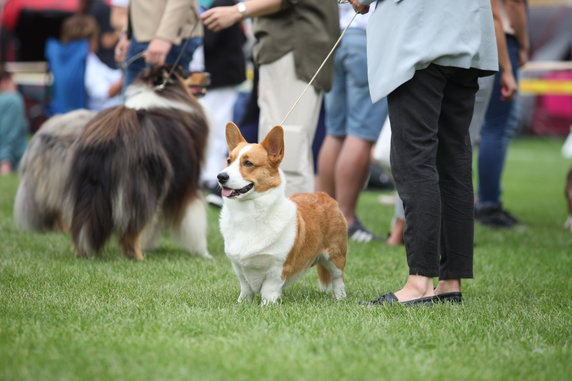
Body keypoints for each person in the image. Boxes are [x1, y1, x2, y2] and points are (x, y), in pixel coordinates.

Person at [349, 0, 498, 305]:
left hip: (420, 37)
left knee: (414, 159)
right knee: (454, 160)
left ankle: (419, 283)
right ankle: (450, 282)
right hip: (467, 35)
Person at [201, 0, 339, 195]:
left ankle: (294, 224)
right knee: (290, 149)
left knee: (288, 155)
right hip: (288, 48)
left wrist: (237, 11)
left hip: (293, 48)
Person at [315, 3, 387, 243]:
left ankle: (322, 216)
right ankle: (346, 219)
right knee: (361, 133)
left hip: (337, 36)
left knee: (335, 132)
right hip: (366, 36)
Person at [475, 0, 529, 228]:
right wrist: (524, 44)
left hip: (468, 39)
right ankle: (488, 203)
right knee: (497, 127)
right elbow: (513, 4)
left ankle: (473, 202)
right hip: (500, 41)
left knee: (469, 129)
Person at [198, 0, 247, 207]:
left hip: (221, 76)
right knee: (212, 129)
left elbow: (210, 40)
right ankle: (208, 175)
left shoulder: (222, 3)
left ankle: (212, 177)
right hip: (213, 78)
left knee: (218, 130)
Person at [115, 0, 203, 87]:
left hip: (170, 39)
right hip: (141, 36)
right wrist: (128, 33)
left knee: (168, 99)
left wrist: (165, 36)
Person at [59, 14, 123, 111]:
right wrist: (130, 73)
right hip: (101, 116)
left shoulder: (84, 59)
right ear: (90, 40)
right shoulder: (86, 63)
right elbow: (106, 92)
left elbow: (111, 75)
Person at [0, 68, 28, 175]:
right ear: (5, 81)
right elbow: (9, 133)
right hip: (15, 162)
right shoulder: (13, 100)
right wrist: (5, 162)